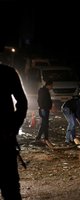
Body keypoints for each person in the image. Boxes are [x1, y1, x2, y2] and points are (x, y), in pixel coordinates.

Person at [0, 64, 28, 200]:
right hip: (5, 140)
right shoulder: (7, 72)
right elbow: (22, 102)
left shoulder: (7, 72)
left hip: (5, 139)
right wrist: (13, 127)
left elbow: (22, 102)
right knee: (10, 189)